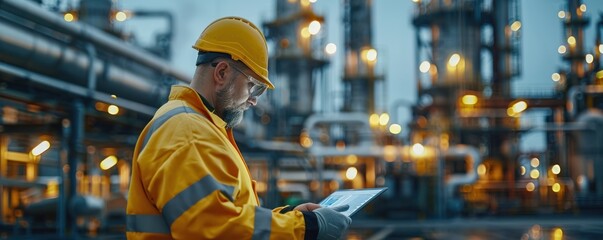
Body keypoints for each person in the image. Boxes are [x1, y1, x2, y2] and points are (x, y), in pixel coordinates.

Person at [125, 16, 351, 240]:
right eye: (253, 86)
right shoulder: (189, 131)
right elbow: (211, 228)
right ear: (222, 73)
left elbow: (227, 215)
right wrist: (304, 227)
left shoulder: (200, 127)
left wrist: (288, 216)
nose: (254, 101)